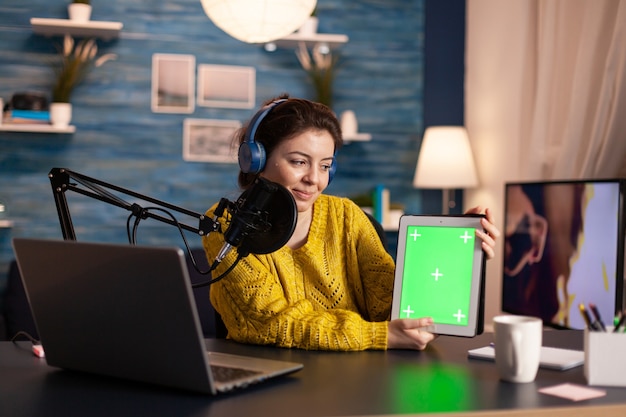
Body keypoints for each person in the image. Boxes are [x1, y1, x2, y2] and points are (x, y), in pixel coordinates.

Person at [202, 94, 500, 351]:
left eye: (325, 166)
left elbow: (391, 309)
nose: (314, 179)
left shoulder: (347, 217)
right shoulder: (227, 223)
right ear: (256, 159)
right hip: (272, 382)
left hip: (358, 378)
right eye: (298, 161)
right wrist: (378, 335)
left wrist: (450, 252)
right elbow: (268, 323)